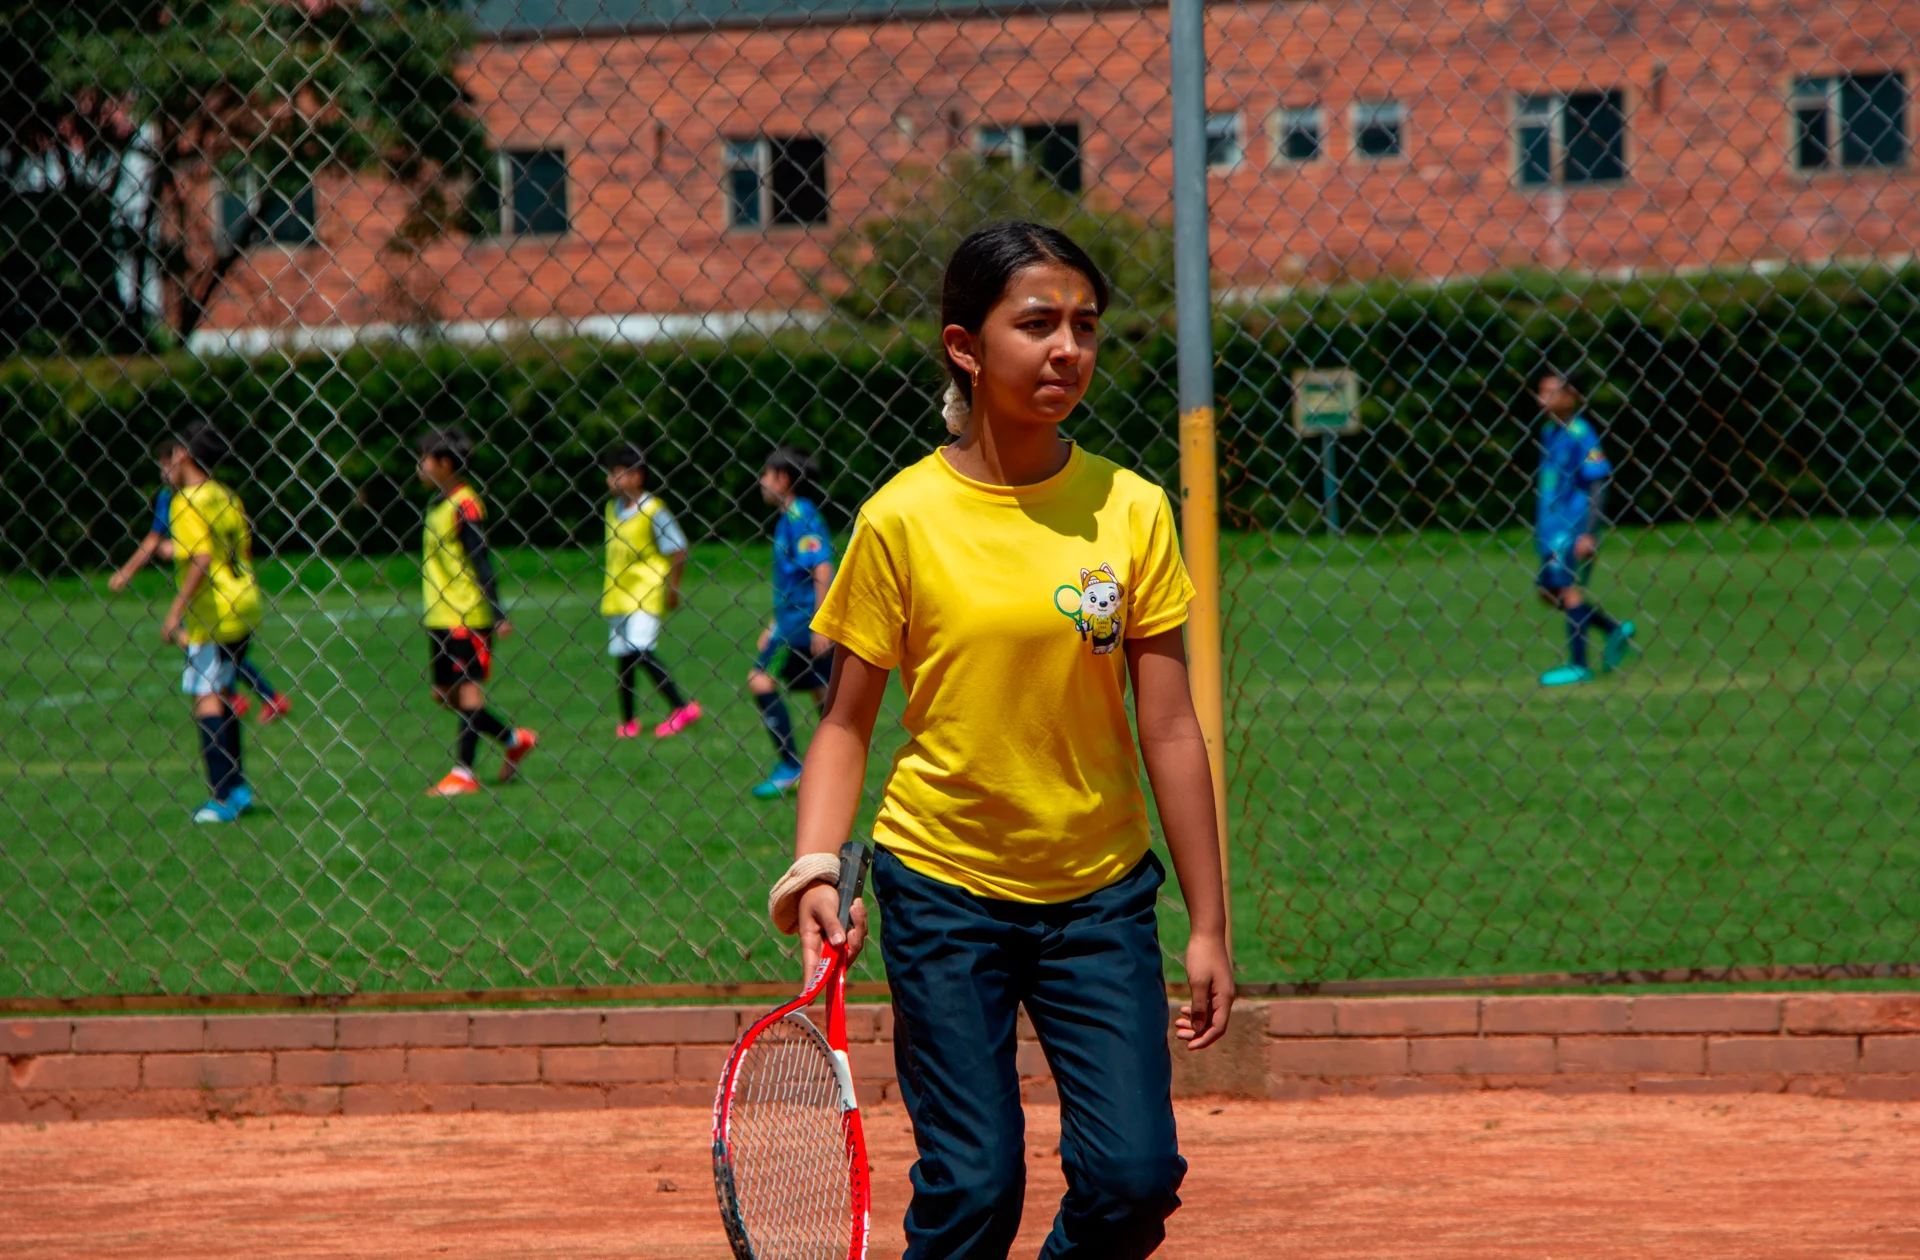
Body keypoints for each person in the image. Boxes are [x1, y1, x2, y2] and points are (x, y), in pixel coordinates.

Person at [770, 221, 1233, 1258]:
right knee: (974, 1186)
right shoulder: (902, 518)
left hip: (1099, 894)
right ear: (965, 347)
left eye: (1085, 325)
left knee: (1133, 1181)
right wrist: (814, 869)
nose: (1068, 348)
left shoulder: (1133, 509)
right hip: (943, 890)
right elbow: (844, 722)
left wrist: (1208, 924)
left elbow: (1169, 725)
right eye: (1037, 324)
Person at [416, 428, 537, 796]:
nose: (419, 467)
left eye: (424, 460)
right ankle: (514, 739)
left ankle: (464, 773)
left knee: (468, 693)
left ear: (445, 464)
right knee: (443, 694)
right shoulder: (436, 504)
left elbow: (481, 560)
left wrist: (497, 613)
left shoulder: (465, 505)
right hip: (440, 615)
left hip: (466, 616)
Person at [154, 424, 263, 823]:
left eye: (167, 459)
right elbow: (240, 546)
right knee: (224, 690)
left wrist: (175, 612)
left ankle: (222, 795)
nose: (163, 470)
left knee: (206, 698)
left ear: (182, 455)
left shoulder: (187, 501)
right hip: (244, 599)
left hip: (213, 612)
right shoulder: (226, 494)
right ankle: (238, 789)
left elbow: (200, 558)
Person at [112, 485, 293, 723]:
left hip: (212, 593)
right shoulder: (219, 494)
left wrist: (128, 571)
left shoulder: (180, 498)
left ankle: (244, 696)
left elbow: (190, 549)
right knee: (217, 650)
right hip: (236, 590)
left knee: (204, 648)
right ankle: (253, 696)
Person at [1534, 371, 1636, 686]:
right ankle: (1612, 629)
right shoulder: (1549, 431)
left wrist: (1589, 531)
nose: (1542, 399)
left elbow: (1598, 481)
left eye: (1551, 392)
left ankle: (1579, 665)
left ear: (1572, 397)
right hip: (1551, 526)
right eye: (1541, 391)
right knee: (1548, 591)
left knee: (1567, 589)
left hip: (1572, 525)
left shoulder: (1581, 432)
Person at [746, 446, 835, 799]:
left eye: (766, 474)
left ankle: (790, 766)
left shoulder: (801, 516)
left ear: (783, 479)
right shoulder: (789, 517)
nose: (761, 481)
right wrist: (774, 622)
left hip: (802, 624)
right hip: (791, 621)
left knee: (760, 680)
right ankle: (834, 764)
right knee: (822, 693)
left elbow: (822, 567)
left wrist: (821, 623)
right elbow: (795, 578)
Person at [601, 443, 701, 738]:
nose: (612, 480)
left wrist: (673, 588)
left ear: (637, 476)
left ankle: (682, 707)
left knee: (640, 649)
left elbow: (678, 548)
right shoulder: (612, 509)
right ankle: (628, 719)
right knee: (624, 656)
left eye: (619, 473)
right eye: (611, 473)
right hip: (618, 594)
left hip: (647, 591)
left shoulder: (653, 510)